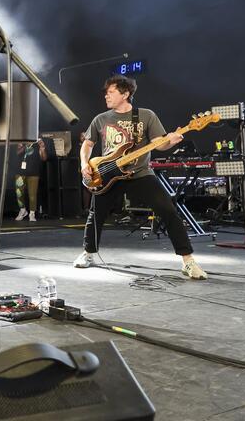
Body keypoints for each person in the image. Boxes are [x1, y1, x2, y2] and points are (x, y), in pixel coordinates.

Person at [76, 75, 207, 280]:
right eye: (106, 93)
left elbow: (159, 144)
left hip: (140, 173)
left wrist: (170, 141)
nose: (106, 96)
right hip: (107, 173)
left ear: (125, 94)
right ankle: (88, 253)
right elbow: (88, 144)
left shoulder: (146, 115)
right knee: (96, 215)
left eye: (110, 92)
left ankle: (188, 261)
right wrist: (85, 163)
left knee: (168, 211)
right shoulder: (100, 118)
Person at [14, 139, 47, 223]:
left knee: (32, 195)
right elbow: (18, 153)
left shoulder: (37, 143)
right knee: (19, 193)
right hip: (20, 172)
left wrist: (42, 148)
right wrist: (26, 145)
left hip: (34, 173)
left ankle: (32, 214)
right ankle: (23, 210)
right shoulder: (22, 142)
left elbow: (44, 158)